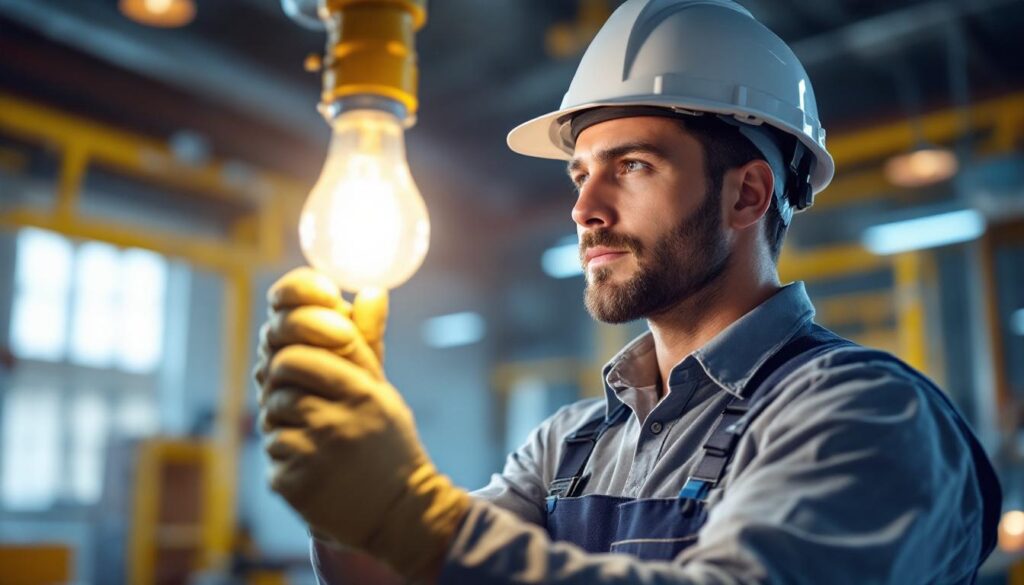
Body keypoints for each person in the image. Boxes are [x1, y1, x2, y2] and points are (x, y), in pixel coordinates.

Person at [252, 1, 1002, 583]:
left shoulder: (865, 413)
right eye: (580, 174)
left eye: (633, 165)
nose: (584, 209)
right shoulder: (571, 446)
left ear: (747, 196)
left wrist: (413, 514)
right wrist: (340, 485)